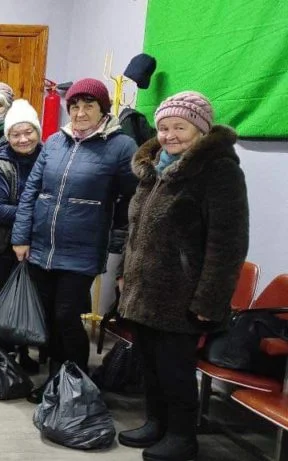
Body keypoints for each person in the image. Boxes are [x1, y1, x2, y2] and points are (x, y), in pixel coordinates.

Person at [117, 92, 248, 461]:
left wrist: (210, 299)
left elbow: (229, 243)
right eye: (163, 127)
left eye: (180, 127)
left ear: (201, 130)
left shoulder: (219, 170)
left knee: (175, 369)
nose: (170, 135)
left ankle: (182, 436)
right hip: (144, 289)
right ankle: (156, 422)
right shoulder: (154, 167)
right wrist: (126, 275)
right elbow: (137, 229)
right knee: (150, 363)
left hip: (183, 293)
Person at [11, 77, 138, 402]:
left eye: (89, 106)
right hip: (41, 248)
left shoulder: (121, 146)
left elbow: (134, 199)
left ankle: (75, 381)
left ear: (103, 109)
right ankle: (55, 380)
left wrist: (114, 237)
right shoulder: (55, 142)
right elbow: (31, 192)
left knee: (66, 316)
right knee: (49, 316)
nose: (80, 113)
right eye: (75, 106)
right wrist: (21, 236)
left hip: (82, 251)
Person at [0, 99, 43, 373]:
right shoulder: (0, 163)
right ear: (8, 136)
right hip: (2, 246)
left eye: (28, 132)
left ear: (38, 132)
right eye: (15, 134)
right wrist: (33, 212)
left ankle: (23, 353)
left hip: (40, 246)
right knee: (0, 303)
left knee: (30, 304)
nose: (22, 139)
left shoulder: (49, 158)